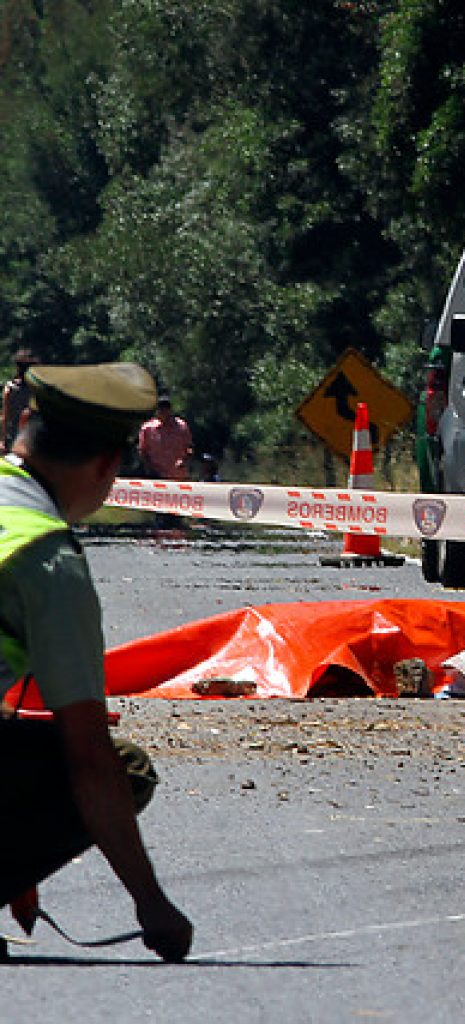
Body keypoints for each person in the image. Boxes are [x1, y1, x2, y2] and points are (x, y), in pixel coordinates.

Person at [0, 362, 193, 962]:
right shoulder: (47, 560)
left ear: (25, 424)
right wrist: (151, 905)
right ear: (110, 466)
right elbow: (89, 757)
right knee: (125, 766)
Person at [137, 395, 193, 480]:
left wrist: (184, 460)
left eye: (165, 409)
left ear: (170, 410)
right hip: (156, 475)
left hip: (178, 475)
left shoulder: (181, 426)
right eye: (160, 409)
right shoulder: (147, 428)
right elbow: (143, 451)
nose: (163, 412)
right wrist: (149, 468)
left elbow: (189, 447)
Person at [1, 347, 39, 453]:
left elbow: (5, 416)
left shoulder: (10, 388)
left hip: (13, 434)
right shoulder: (36, 389)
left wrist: (3, 440)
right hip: (32, 434)